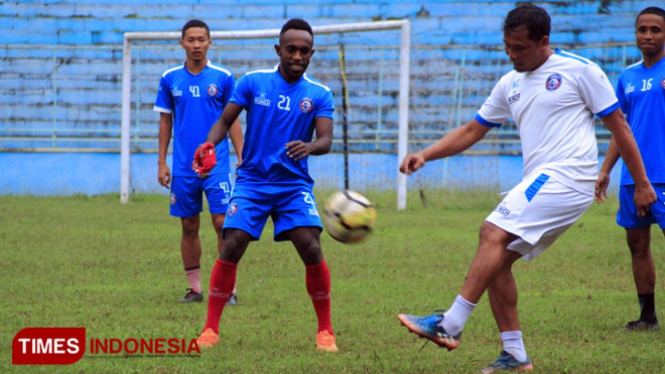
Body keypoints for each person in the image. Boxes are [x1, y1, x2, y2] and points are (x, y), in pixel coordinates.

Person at [396, 4, 657, 373]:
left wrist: (642, 184)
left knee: (490, 231)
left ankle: (449, 324)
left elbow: (620, 128)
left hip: (569, 177)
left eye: (520, 48)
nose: (512, 55)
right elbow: (473, 130)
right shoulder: (510, 82)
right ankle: (515, 354)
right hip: (541, 180)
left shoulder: (580, 71)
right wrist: (426, 154)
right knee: (497, 263)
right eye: (507, 47)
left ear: (544, 41)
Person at [191, 18, 338, 352]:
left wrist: (310, 146)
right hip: (253, 182)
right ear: (279, 50)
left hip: (293, 185)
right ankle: (211, 329)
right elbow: (225, 120)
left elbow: (326, 138)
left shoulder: (319, 93)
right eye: (292, 49)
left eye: (305, 51)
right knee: (232, 242)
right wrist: (209, 144)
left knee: (311, 246)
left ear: (311, 52)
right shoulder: (253, 83)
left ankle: (325, 331)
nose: (298, 56)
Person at [154, 19, 243, 304]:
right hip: (182, 166)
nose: (196, 44)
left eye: (201, 39)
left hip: (217, 166)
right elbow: (165, 120)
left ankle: (228, 289)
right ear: (182, 43)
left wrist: (242, 157)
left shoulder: (223, 77)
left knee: (222, 223)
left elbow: (232, 121)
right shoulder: (170, 78)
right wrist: (161, 162)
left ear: (209, 42)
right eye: (190, 39)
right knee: (188, 226)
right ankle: (195, 289)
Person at [595, 6, 665, 332]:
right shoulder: (627, 76)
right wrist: (606, 169)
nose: (648, 36)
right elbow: (620, 129)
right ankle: (647, 317)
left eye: (656, 30)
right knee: (637, 246)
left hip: (663, 177)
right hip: (632, 179)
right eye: (642, 30)